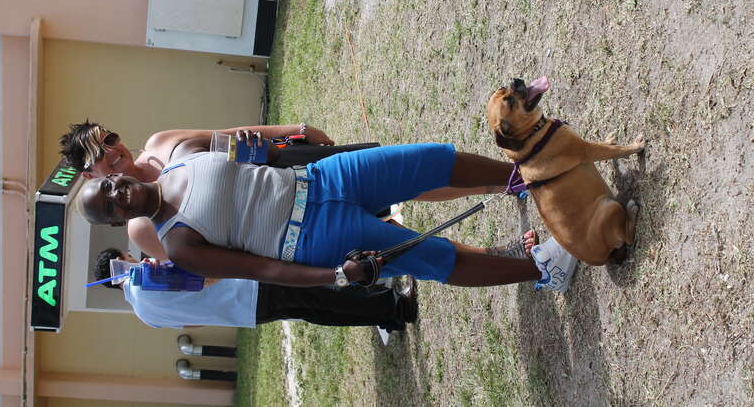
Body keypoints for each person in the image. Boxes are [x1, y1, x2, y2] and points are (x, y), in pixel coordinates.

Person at [79, 142, 573, 289]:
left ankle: (530, 173)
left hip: (322, 178)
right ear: (113, 222)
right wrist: (336, 276)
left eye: (107, 188)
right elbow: (263, 270)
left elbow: (248, 148)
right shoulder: (181, 245)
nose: (116, 194)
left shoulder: (183, 156)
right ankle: (544, 269)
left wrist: (278, 143)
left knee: (428, 161)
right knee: (431, 256)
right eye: (108, 207)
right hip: (313, 237)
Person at [60, 121, 511, 259]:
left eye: (110, 138)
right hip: (292, 230)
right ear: (92, 176)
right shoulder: (141, 228)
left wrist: (293, 131)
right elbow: (213, 263)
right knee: (402, 243)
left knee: (403, 182)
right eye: (99, 155)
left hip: (289, 168)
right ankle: (492, 251)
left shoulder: (163, 143)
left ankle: (500, 184)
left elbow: (232, 133)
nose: (112, 151)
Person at [94, 248, 418, 330]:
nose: (136, 260)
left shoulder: (143, 314)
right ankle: (394, 307)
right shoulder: (147, 276)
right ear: (121, 266)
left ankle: (387, 313)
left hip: (243, 313)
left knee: (314, 310)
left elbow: (192, 322)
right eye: (128, 259)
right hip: (248, 288)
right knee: (321, 295)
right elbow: (204, 277)